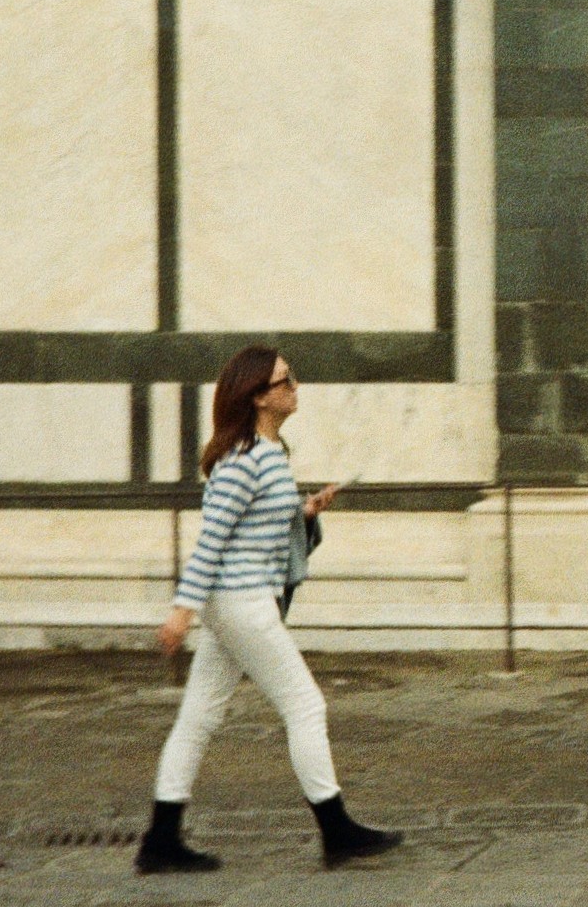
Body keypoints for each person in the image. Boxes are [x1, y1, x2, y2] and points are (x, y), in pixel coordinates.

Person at [135, 345, 403, 874]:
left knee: (199, 716)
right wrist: (181, 611)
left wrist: (305, 512)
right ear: (258, 396)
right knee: (305, 705)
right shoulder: (242, 460)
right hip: (242, 602)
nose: (295, 387)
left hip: (242, 600)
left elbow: (256, 524)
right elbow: (211, 541)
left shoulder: (271, 452)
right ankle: (336, 829)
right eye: (285, 381)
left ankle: (160, 839)